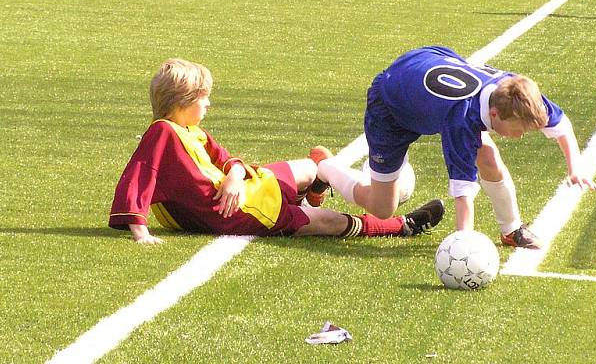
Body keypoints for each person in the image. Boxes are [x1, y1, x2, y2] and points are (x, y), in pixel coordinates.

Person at [108, 58, 444, 244]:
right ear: (181, 102)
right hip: (239, 214)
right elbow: (139, 177)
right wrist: (140, 230)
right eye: (203, 98)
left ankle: (315, 186)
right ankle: (401, 225)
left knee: (309, 167)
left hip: (246, 191)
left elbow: (225, 159)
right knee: (327, 222)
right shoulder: (162, 133)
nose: (209, 103)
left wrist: (236, 175)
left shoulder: (189, 129)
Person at [313, 45, 596, 249]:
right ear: (496, 115)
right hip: (392, 104)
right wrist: (463, 245)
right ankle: (325, 168)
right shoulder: (462, 119)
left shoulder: (519, 93)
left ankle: (511, 230)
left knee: (488, 155)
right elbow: (463, 192)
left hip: (428, 64)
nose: (522, 136)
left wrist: (575, 168)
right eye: (518, 130)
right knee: (382, 207)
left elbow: (562, 128)